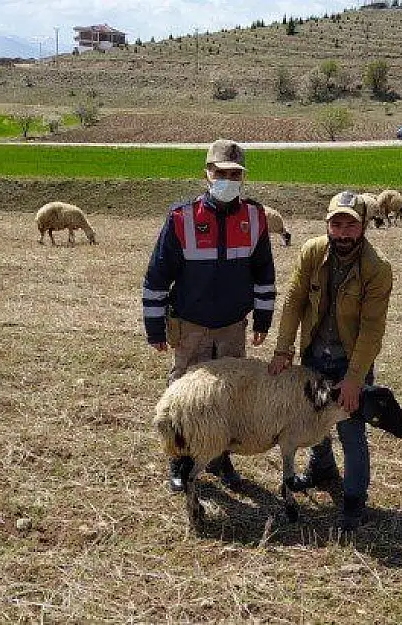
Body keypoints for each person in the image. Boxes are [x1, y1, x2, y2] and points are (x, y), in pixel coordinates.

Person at [142, 139, 277, 493]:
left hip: (233, 326)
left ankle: (220, 457)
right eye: (221, 173)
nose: (228, 180)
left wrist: (262, 319)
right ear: (207, 173)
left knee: (229, 395)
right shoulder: (181, 218)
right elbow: (157, 276)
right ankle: (179, 459)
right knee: (184, 394)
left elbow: (264, 272)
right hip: (192, 326)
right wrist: (154, 325)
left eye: (235, 174)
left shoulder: (254, 216)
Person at [267, 191, 393, 530]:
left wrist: (354, 379)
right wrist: (283, 349)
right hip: (314, 357)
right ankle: (321, 468)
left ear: (364, 226)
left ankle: (354, 500)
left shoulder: (377, 269)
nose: (342, 233)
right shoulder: (312, 251)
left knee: (351, 431)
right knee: (313, 418)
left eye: (350, 225)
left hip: (350, 362)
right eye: (336, 224)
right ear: (327, 225)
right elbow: (294, 301)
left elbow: (371, 330)